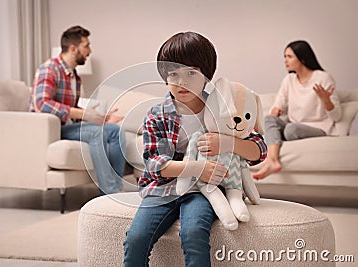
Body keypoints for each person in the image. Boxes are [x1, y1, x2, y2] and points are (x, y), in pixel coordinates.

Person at [123, 32, 267, 267]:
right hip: (163, 189)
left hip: (205, 190)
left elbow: (259, 151)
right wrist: (198, 167)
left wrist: (227, 143)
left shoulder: (223, 107)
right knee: (136, 239)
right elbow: (155, 165)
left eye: (191, 72)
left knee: (193, 234)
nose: (181, 81)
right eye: (173, 74)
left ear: (206, 75)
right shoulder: (157, 115)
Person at [30, 25, 126, 194]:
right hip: (51, 129)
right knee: (97, 133)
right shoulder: (49, 69)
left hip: (67, 126)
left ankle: (117, 187)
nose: (89, 51)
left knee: (115, 131)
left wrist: (99, 117)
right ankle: (109, 193)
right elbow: (41, 103)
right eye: (86, 46)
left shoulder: (75, 76)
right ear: (73, 49)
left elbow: (70, 111)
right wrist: (84, 114)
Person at [253, 40, 341, 180]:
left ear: (302, 58)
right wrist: (275, 111)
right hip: (292, 126)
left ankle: (276, 146)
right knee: (270, 120)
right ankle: (272, 161)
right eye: (285, 56)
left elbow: (337, 116)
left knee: (290, 130)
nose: (285, 60)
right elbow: (277, 105)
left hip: (318, 128)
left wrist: (326, 100)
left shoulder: (323, 78)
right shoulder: (289, 80)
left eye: (289, 56)